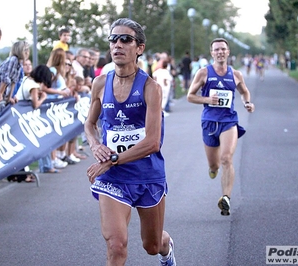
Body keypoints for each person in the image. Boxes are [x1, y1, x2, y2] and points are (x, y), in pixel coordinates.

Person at [84, 18, 176, 266]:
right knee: (116, 246)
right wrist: (95, 145)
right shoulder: (100, 83)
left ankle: (167, 250)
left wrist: (112, 159)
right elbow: (89, 124)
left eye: (126, 39)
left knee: (152, 245)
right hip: (113, 179)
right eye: (113, 39)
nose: (118, 44)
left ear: (139, 48)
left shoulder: (150, 87)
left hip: (147, 175)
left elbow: (152, 142)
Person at [187, 38, 255, 216]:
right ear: (212, 53)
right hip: (209, 121)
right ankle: (213, 169)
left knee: (226, 159)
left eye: (223, 49)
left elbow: (244, 91)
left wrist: (247, 102)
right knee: (214, 165)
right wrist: (208, 99)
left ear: (228, 52)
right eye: (216, 49)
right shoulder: (203, 73)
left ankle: (226, 198)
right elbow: (190, 96)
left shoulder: (236, 74)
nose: (220, 52)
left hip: (228, 121)